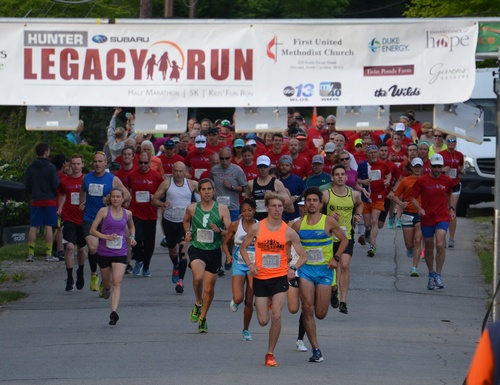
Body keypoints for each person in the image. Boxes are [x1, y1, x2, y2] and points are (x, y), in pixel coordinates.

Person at [239, 192, 308, 367]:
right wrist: (250, 264)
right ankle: (267, 304)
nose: (277, 210)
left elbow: (303, 256)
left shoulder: (289, 231)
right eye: (274, 206)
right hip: (261, 277)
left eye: (280, 206)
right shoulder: (257, 228)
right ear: (267, 208)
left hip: (279, 277)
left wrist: (293, 268)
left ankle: (270, 353)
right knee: (263, 321)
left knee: (276, 316)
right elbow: (243, 247)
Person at [293, 187, 348, 362]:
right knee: (307, 309)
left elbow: (344, 240)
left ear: (321, 203)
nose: (311, 203)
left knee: (320, 313)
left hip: (325, 270)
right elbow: (288, 242)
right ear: (304, 204)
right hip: (306, 271)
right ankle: (316, 349)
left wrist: (336, 257)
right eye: (308, 201)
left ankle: (332, 291)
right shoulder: (297, 224)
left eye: (314, 200)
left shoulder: (328, 222)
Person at [183, 178, 231, 333]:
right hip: (197, 248)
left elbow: (230, 231)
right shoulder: (192, 208)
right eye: (203, 189)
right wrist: (188, 233)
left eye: (209, 189)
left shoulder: (222, 209)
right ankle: (198, 302)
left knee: (209, 289)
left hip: (214, 251)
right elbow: (185, 221)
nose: (207, 192)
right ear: (199, 191)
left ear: (214, 191)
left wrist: (220, 231)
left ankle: (203, 318)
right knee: (198, 277)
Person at [80, 151, 130, 294]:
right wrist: (82, 201)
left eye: (100, 161)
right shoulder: (86, 178)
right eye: (95, 161)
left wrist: (116, 203)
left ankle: (105, 280)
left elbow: (126, 194)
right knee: (93, 247)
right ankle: (94, 275)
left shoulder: (112, 179)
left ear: (105, 163)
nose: (97, 164)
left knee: (106, 250)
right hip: (90, 217)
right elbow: (82, 189)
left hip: (108, 220)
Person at [90, 188, 136, 325]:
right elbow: (92, 230)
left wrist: (132, 237)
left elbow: (132, 227)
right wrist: (106, 237)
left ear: (123, 199)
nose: (115, 199)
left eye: (118, 197)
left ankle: (114, 313)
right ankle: (106, 287)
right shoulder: (103, 211)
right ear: (110, 199)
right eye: (113, 197)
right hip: (104, 252)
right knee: (108, 283)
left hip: (120, 252)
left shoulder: (127, 213)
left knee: (117, 281)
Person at [152, 162, 198, 293]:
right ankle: (176, 266)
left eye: (180, 171)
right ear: (172, 171)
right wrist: (162, 203)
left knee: (183, 251)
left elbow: (208, 192)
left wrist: (197, 205)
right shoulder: (167, 184)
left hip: (184, 223)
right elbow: (154, 200)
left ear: (185, 172)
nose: (178, 174)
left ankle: (180, 281)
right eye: (175, 171)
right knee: (173, 251)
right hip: (169, 222)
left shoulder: (191, 184)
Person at [411, 154, 456, 290]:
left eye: (439, 167)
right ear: (429, 166)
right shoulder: (422, 181)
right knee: (429, 247)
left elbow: (449, 194)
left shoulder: (447, 180)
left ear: (442, 167)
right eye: (434, 166)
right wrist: (419, 208)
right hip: (427, 217)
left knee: (440, 244)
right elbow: (413, 197)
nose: (436, 169)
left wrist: (451, 208)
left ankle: (439, 275)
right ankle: (431, 274)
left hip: (442, 216)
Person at [323, 165, 363, 314]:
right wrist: (328, 217)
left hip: (347, 236)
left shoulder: (354, 195)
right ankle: (334, 290)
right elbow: (318, 213)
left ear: (347, 177)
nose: (340, 177)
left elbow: (359, 205)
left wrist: (357, 215)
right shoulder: (326, 195)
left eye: (342, 174)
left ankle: (343, 300)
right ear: (332, 178)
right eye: (337, 175)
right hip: (329, 237)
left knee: (344, 265)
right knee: (331, 267)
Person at [222, 198, 257, 341]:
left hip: (253, 266)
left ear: (254, 210)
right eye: (244, 211)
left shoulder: (259, 226)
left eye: (249, 210)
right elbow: (225, 244)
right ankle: (235, 301)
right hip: (238, 263)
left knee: (249, 301)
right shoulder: (235, 225)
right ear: (241, 212)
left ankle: (245, 330)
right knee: (239, 297)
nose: (247, 213)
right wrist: (228, 255)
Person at [127, 152, 164, 277]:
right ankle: (139, 259)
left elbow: (163, 191)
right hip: (136, 212)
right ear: (138, 163)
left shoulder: (156, 176)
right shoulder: (132, 175)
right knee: (137, 238)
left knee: (149, 242)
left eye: (146, 163)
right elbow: (129, 190)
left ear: (150, 162)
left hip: (150, 213)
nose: (143, 165)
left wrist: (157, 196)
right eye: (141, 163)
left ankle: (146, 266)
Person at [57, 154, 87, 291]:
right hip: (69, 217)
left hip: (83, 218)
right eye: (73, 164)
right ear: (70, 165)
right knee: (69, 247)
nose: (75, 166)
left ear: (82, 165)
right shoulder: (64, 181)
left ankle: (80, 272)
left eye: (78, 164)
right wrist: (60, 208)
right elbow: (62, 194)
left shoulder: (86, 179)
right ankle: (69, 277)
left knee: (81, 248)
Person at [25, 143, 60, 262]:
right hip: (49, 199)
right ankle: (48, 254)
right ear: (45, 152)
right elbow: (56, 184)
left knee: (34, 226)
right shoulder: (51, 167)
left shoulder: (30, 167)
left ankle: (30, 254)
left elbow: (27, 185)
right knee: (49, 226)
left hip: (36, 199)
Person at [357, 145, 391, 257]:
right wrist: (364, 181)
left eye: (375, 152)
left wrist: (387, 181)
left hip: (379, 197)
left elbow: (388, 174)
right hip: (366, 197)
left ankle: (373, 245)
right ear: (366, 154)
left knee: (374, 220)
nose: (373, 155)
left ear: (377, 153)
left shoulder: (383, 164)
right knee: (367, 223)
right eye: (370, 153)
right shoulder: (362, 165)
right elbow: (356, 180)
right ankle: (367, 231)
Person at [391, 157, 424, 277]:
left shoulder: (426, 180)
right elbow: (395, 195)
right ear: (411, 168)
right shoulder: (406, 181)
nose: (417, 169)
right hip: (408, 213)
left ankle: (414, 268)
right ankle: (409, 249)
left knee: (417, 240)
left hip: (421, 214)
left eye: (419, 167)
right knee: (409, 244)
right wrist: (400, 203)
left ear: (422, 168)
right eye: (415, 167)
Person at [245, 155, 294, 221]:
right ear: (257, 167)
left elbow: (290, 207)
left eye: (265, 166)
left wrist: (273, 196)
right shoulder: (251, 184)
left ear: (269, 167)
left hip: (273, 221)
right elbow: (245, 203)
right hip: (256, 221)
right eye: (260, 166)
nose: (263, 169)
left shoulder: (277, 183)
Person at [439, 135, 464, 248]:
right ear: (446, 142)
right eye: (449, 141)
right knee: (444, 211)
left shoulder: (459, 155)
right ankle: (442, 238)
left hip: (455, 184)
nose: (451, 142)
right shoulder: (441, 154)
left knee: (452, 211)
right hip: (444, 186)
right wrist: (442, 170)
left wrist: (462, 170)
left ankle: (452, 239)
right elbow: (435, 169)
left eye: (454, 141)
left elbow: (462, 167)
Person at [210, 147, 247, 222]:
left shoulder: (237, 170)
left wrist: (232, 187)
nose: (224, 161)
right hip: (217, 208)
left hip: (232, 208)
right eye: (222, 158)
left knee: (231, 231)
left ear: (231, 158)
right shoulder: (214, 170)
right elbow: (211, 185)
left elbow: (245, 188)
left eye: (227, 158)